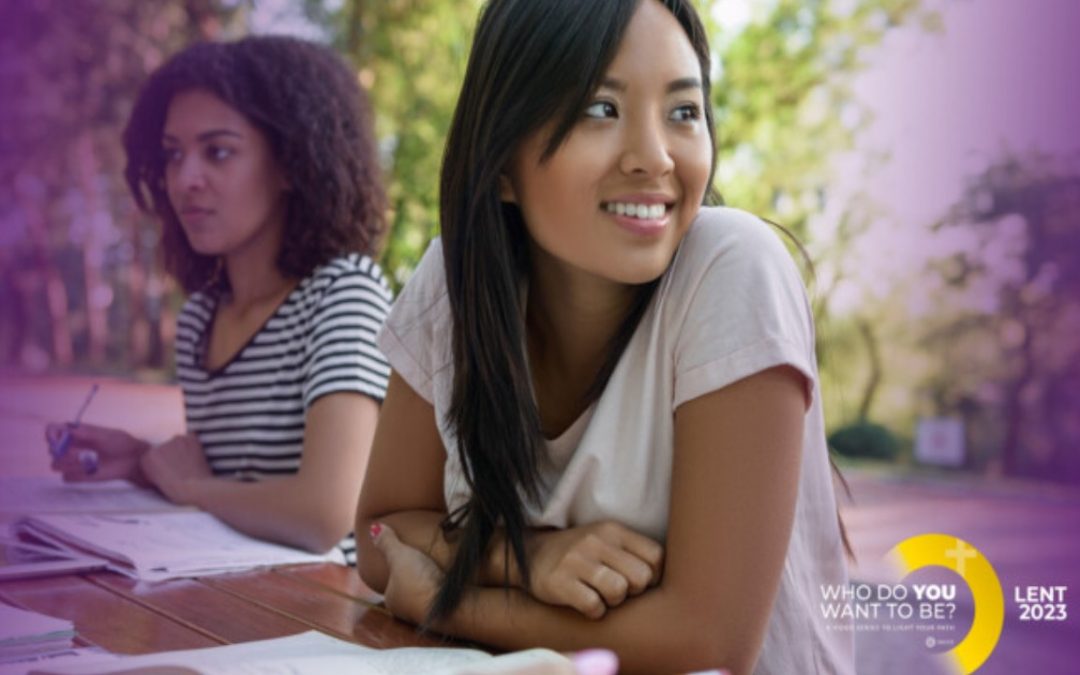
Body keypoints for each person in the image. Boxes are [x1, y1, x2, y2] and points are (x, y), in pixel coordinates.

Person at [356, 0, 855, 672]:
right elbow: (380, 533)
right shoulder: (455, 282)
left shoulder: (735, 268)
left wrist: (452, 600)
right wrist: (523, 556)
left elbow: (707, 639)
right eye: (600, 108)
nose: (654, 159)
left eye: (683, 111)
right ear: (502, 161)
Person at [47, 35, 391, 564]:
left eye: (219, 151)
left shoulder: (343, 293)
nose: (186, 179)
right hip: (237, 600)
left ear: (290, 164)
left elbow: (325, 512)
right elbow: (235, 489)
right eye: (173, 155)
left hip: (329, 616)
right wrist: (144, 461)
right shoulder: (200, 320)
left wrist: (191, 489)